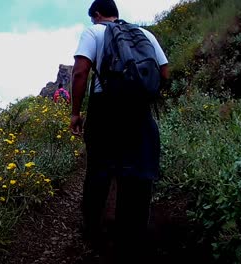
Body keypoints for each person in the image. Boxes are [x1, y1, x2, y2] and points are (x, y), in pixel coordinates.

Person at [69, 0, 169, 262]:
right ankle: (131, 234)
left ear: (97, 15)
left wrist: (75, 113)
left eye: (93, 18)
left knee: (99, 169)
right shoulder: (144, 34)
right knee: (136, 171)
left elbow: (80, 73)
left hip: (105, 108)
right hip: (139, 109)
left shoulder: (94, 32)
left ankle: (93, 229)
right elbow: (165, 72)